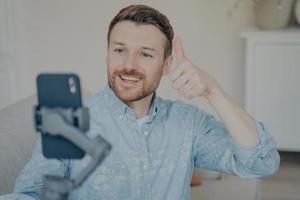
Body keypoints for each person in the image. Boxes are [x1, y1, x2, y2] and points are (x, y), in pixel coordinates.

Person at [2, 4, 280, 200]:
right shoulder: (68, 119)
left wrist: (213, 91)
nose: (128, 65)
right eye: (120, 50)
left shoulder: (188, 123)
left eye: (146, 54)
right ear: (108, 52)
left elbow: (260, 163)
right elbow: (30, 191)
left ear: (166, 64)